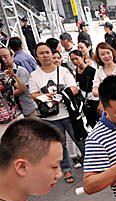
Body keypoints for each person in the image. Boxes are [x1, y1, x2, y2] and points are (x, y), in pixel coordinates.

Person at [28, 43, 82, 184]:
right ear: (36, 56)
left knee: (80, 140)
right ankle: (66, 170)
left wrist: (60, 95)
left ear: (52, 54)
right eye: (41, 53)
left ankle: (92, 164)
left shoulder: (63, 71)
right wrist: (45, 97)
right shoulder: (34, 75)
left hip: (68, 114)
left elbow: (74, 88)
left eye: (47, 52)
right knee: (59, 145)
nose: (45, 55)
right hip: (49, 117)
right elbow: (33, 93)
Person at [0, 46, 37, 121]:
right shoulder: (2, 74)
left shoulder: (21, 71)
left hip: (27, 109)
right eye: (0, 58)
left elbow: (22, 90)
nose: (3, 60)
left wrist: (4, 95)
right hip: (10, 114)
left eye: (5, 56)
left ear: (12, 56)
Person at [70, 50, 99, 129]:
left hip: (94, 97)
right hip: (84, 98)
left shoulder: (91, 70)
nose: (75, 61)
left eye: (76, 58)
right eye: (72, 60)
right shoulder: (77, 70)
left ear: (82, 57)